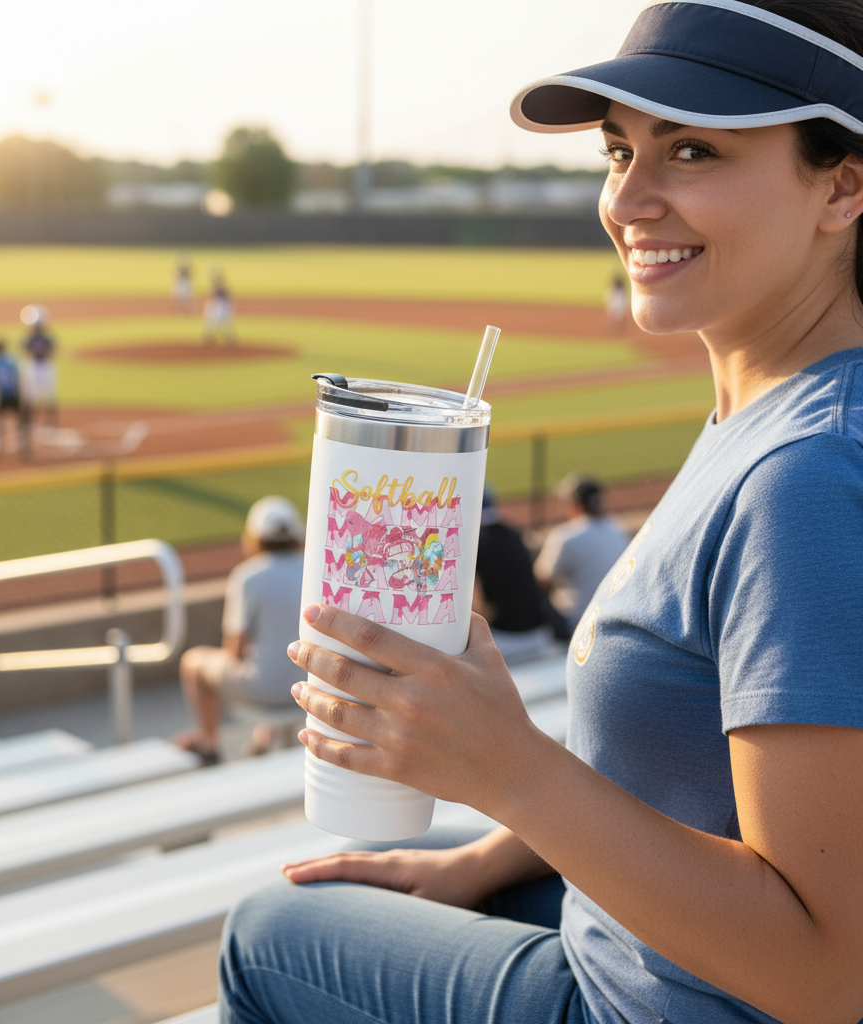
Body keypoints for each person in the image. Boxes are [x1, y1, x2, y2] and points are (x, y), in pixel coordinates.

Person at [220, 3, 863, 1023]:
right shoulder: (775, 412)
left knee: (264, 933)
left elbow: (830, 976)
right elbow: (681, 768)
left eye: (691, 151)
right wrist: (485, 855)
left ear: (843, 184)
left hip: (646, 1002)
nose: (629, 200)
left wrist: (511, 768)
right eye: (619, 152)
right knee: (358, 874)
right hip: (640, 942)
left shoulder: (807, 476)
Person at [175, 496, 305, 766]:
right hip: (309, 685)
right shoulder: (312, 569)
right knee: (276, 657)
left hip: (269, 689)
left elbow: (235, 651)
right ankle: (263, 737)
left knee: (193, 662)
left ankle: (209, 745)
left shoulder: (248, 576)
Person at [534, 474, 629, 636]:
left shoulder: (565, 535)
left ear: (575, 503)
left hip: (576, 622)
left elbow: (541, 581)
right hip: (616, 615)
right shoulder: (615, 527)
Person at [472, 488, 555, 664]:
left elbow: (475, 605)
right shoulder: (516, 534)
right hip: (540, 633)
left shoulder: (477, 542)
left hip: (506, 641)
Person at [0, 338, 29, 459]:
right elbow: (18, 378)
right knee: (21, 421)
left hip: (0, 396)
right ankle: (23, 447)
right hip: (14, 395)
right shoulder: (11, 361)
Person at [20, 306, 57, 427]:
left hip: (45, 366)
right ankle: (29, 421)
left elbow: (52, 350)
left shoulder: (46, 337)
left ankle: (50, 423)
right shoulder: (30, 337)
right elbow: (24, 349)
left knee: (49, 396)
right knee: (30, 396)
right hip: (33, 366)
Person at [203, 268, 237, 345]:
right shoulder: (217, 284)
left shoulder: (221, 285)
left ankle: (211, 337)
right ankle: (210, 337)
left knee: (220, 321)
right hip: (218, 304)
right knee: (215, 321)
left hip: (222, 304)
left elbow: (225, 294)